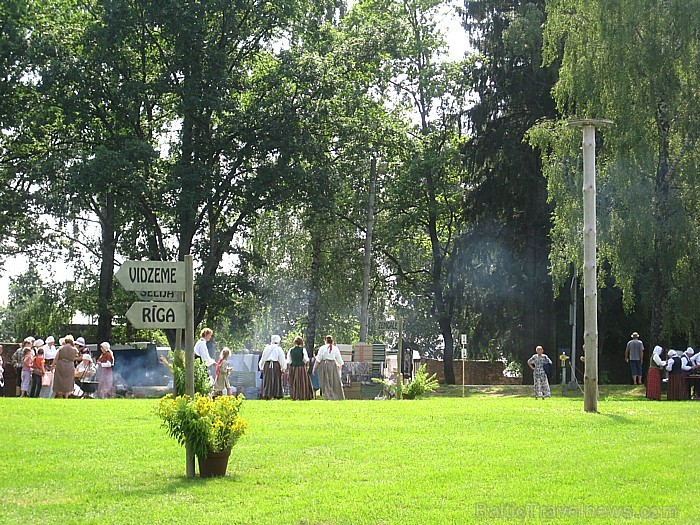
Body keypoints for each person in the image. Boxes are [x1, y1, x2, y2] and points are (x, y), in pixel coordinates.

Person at [313, 335, 345, 400]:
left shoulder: (322, 348)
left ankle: (328, 396)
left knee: (325, 381)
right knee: (333, 381)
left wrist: (314, 368)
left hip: (324, 366)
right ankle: (335, 396)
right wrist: (340, 365)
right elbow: (339, 359)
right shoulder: (335, 348)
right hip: (333, 365)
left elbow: (318, 360)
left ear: (325, 341)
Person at [259, 335, 286, 399]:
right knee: (276, 379)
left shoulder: (267, 348)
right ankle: (275, 394)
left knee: (267, 379)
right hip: (275, 365)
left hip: (267, 365)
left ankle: (267, 394)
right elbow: (282, 359)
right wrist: (283, 368)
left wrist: (261, 367)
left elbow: (263, 358)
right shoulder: (278, 349)